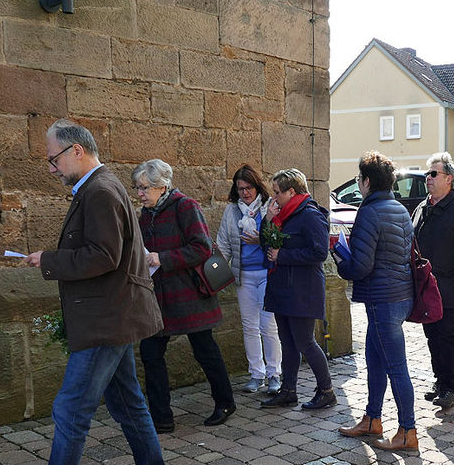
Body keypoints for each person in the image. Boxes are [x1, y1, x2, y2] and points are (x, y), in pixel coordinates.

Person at [0, 120, 168, 465]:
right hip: (114, 316)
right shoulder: (99, 187)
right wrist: (49, 258)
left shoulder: (100, 190)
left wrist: (50, 260)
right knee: (128, 404)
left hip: (107, 320)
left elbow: (103, 255)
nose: (51, 168)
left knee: (70, 411)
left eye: (53, 159)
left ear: (76, 152)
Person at [133, 159, 235, 432]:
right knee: (150, 353)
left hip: (189, 294)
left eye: (144, 188)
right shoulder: (145, 214)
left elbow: (201, 248)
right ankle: (162, 418)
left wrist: (161, 258)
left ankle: (225, 402)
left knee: (205, 350)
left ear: (162, 186)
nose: (140, 193)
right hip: (157, 297)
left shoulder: (185, 206)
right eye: (138, 188)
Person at [334, 152, 417, 452]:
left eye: (359, 179)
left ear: (367, 181)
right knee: (375, 361)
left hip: (383, 299)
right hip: (398, 295)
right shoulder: (399, 208)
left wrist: (341, 257)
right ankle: (372, 419)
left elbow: (361, 266)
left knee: (396, 368)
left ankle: (408, 430)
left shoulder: (369, 211)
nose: (358, 184)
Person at [260, 169, 336, 410]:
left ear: (291, 192)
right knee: (287, 342)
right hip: (282, 287)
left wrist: (283, 255)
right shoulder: (282, 214)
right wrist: (269, 220)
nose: (274, 198)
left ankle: (327, 391)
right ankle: (288, 390)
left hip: (303, 290)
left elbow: (319, 253)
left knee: (305, 342)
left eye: (277, 193)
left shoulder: (310, 215)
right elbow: (266, 244)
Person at [412, 152, 454, 410]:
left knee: (448, 336)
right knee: (432, 336)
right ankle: (439, 380)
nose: (427, 178)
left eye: (433, 174)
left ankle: (450, 386)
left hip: (450, 287)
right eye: (427, 173)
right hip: (425, 286)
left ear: (448, 178)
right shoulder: (422, 207)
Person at [217, 165, 282, 395]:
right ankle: (256, 373)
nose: (245, 193)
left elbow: (278, 238)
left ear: (257, 187)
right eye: (240, 188)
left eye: (249, 188)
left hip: (266, 273)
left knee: (268, 325)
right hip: (243, 275)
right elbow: (223, 244)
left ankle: (274, 373)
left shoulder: (269, 208)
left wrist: (260, 241)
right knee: (249, 326)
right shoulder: (231, 212)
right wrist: (215, 269)